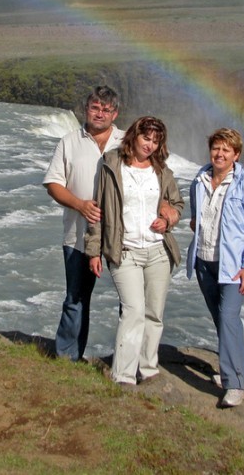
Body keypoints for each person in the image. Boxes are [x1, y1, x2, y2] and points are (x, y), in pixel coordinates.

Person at [84, 116, 184, 386]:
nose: (150, 145)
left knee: (154, 313)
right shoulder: (111, 165)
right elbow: (97, 211)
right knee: (133, 310)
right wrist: (94, 251)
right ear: (134, 136)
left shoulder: (162, 170)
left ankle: (148, 369)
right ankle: (123, 375)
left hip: (157, 251)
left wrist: (169, 218)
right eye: (146, 138)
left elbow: (177, 204)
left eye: (155, 141)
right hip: (124, 250)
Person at [186, 128, 244, 407]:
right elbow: (197, 218)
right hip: (204, 261)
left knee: (228, 318)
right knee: (223, 320)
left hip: (233, 267)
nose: (220, 154)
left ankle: (233, 384)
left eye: (226, 150)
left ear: (236, 154)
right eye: (216, 148)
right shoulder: (199, 179)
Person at [43, 86, 125, 362]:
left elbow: (154, 178)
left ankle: (127, 361)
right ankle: (68, 358)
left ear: (115, 113)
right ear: (86, 109)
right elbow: (53, 184)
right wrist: (80, 205)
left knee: (132, 302)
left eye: (106, 109)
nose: (100, 113)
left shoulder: (128, 142)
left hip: (123, 237)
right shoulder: (68, 142)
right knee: (76, 299)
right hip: (78, 236)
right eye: (95, 107)